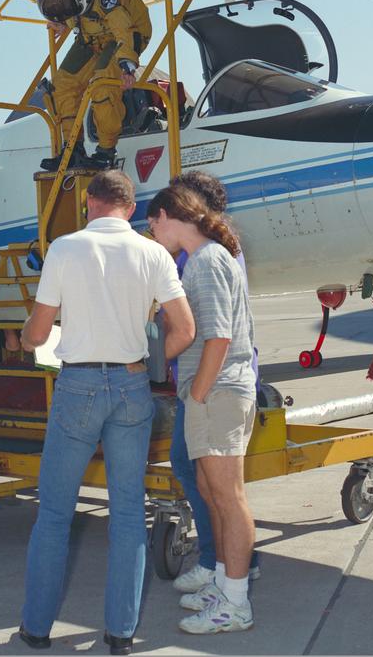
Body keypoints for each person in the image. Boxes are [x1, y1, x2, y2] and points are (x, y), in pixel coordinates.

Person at [17, 170, 196, 655]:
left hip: (78, 384)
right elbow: (184, 329)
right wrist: (149, 366)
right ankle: (120, 634)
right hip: (132, 385)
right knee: (128, 515)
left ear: (88, 202)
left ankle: (37, 629)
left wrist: (27, 339)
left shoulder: (64, 248)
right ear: (130, 207)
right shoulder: (153, 253)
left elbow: (39, 332)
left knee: (55, 513)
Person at [146, 185, 258, 634]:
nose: (153, 235)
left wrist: (197, 395)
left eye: (153, 225)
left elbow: (218, 337)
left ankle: (236, 603)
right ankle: (223, 584)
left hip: (217, 393)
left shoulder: (206, 261)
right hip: (215, 392)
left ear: (168, 215)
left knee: (228, 499)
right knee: (213, 495)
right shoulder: (204, 258)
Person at [34, 0, 152, 171]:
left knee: (102, 84)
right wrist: (62, 21)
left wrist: (127, 66)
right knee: (61, 85)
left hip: (126, 35)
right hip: (91, 38)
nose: (60, 8)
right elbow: (74, 8)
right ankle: (72, 149)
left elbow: (122, 27)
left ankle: (106, 152)